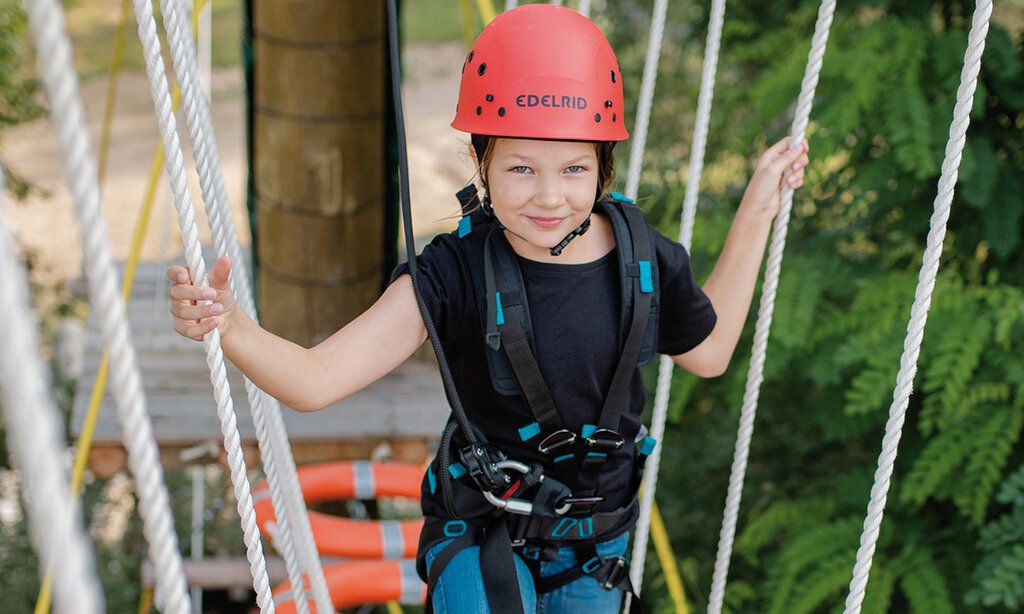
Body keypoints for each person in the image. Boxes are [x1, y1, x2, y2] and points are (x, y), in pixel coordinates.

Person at [167, 5, 808, 613]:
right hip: (483, 532)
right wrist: (232, 327)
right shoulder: (452, 273)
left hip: (596, 544)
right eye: (522, 168)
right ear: (481, 161)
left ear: (603, 169)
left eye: (575, 169)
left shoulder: (644, 261)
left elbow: (711, 352)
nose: (550, 196)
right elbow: (316, 381)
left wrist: (756, 210)